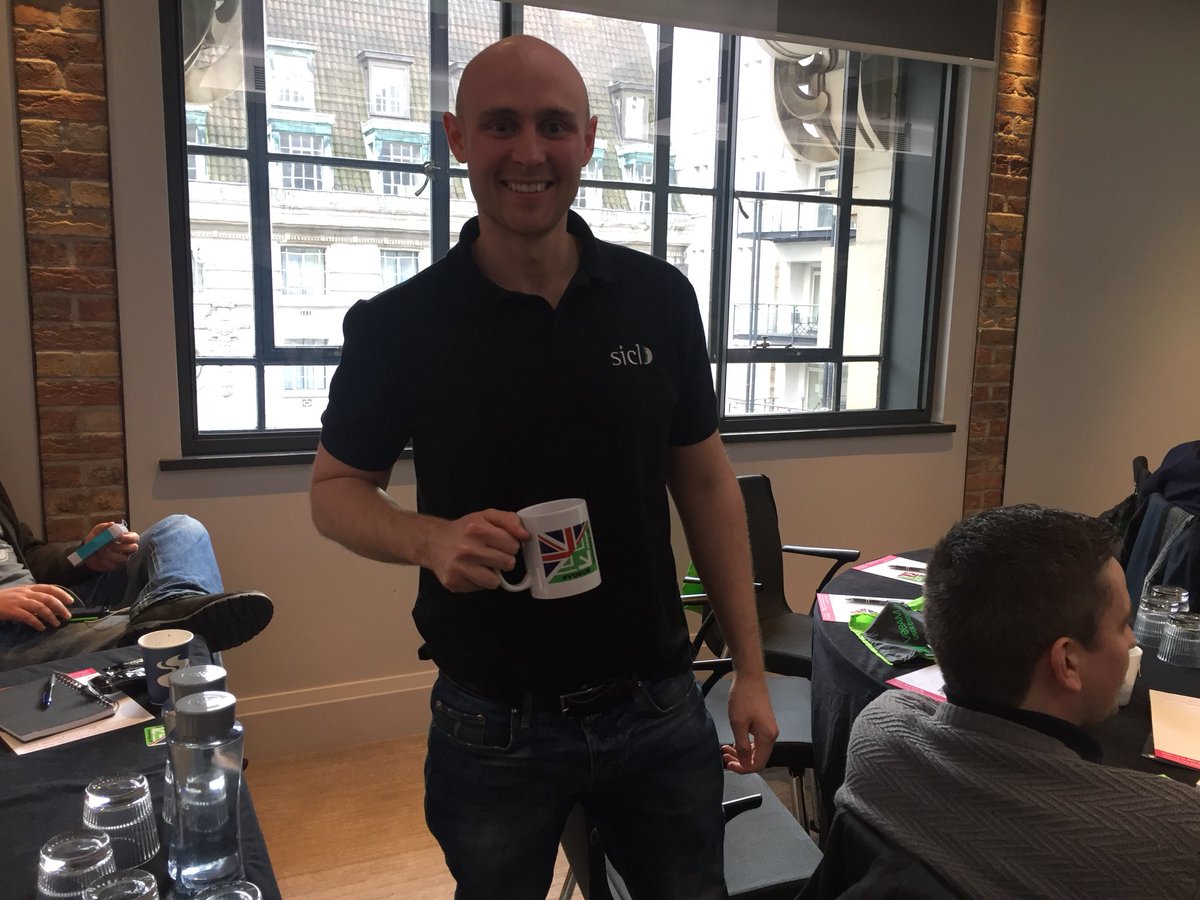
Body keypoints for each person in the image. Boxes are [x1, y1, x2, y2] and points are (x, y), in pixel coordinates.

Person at [310, 34, 776, 899]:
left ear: (589, 139)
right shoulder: (399, 325)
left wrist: (749, 668)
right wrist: (428, 540)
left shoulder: (659, 298)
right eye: (501, 125)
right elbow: (335, 491)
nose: (529, 153)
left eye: (554, 126)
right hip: (493, 721)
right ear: (457, 138)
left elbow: (706, 481)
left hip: (658, 703)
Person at [836, 504, 1200, 899]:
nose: (1132, 640)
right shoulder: (1175, 835)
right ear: (1067, 662)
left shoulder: (876, 733)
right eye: (1123, 624)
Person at [0, 478, 273, 671]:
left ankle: (170, 603)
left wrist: (85, 556)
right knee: (187, 634)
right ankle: (206, 726)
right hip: (14, 637)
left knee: (182, 529)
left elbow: (29, 555)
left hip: (47, 604)